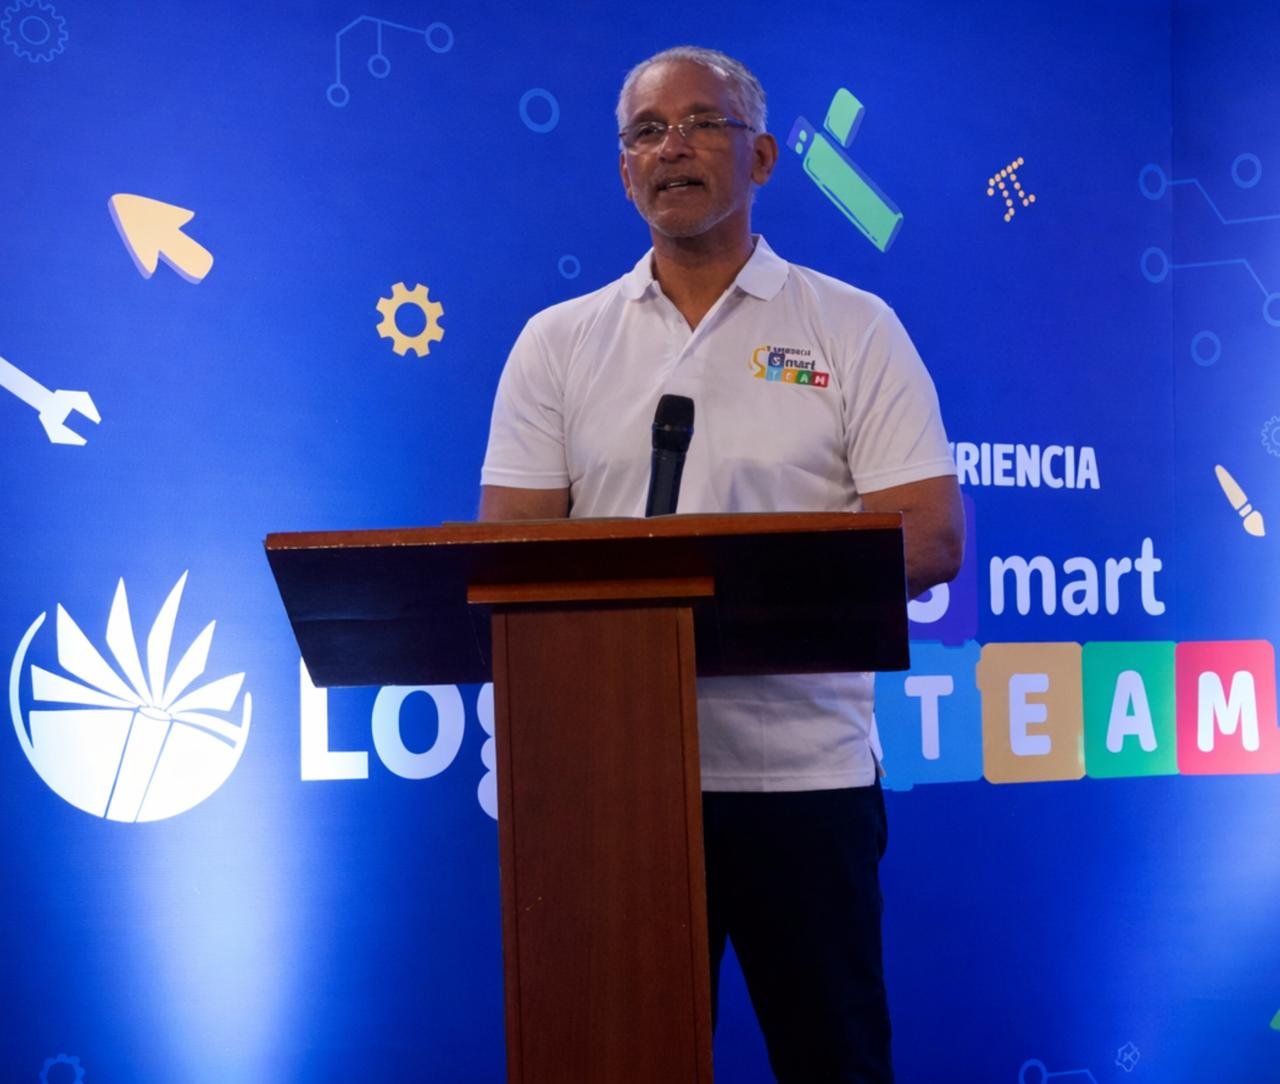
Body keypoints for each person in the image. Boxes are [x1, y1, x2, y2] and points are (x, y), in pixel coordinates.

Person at [479, 44, 963, 1084]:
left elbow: (927, 537)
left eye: (702, 123)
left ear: (763, 158)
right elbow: (511, 554)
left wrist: (731, 593)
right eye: (647, 132)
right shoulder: (556, 343)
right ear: (624, 170)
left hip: (805, 778)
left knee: (835, 1061)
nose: (673, 148)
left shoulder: (852, 327)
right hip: (615, 781)